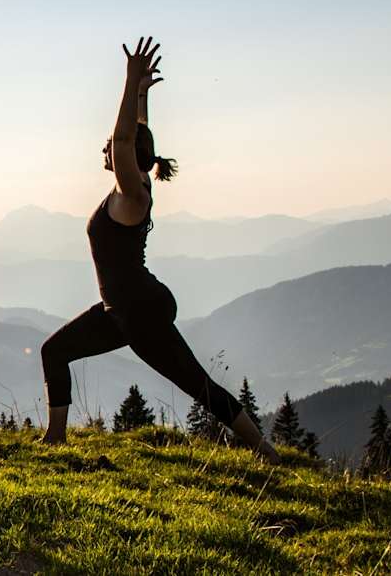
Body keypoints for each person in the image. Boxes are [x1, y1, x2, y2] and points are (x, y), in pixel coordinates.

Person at [39, 37, 281, 464]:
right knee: (54, 351)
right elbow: (137, 138)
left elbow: (127, 137)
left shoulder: (131, 194)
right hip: (121, 310)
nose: (107, 149)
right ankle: (54, 440)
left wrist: (129, 81)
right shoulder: (141, 182)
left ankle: (263, 450)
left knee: (197, 385)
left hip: (142, 313)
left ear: (128, 157)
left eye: (114, 148)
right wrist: (141, 95)